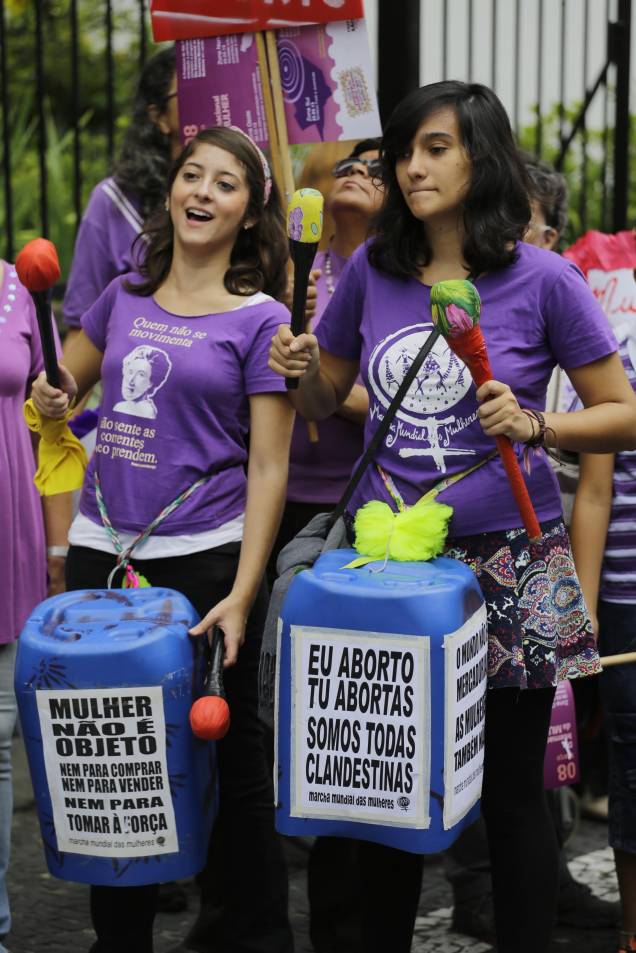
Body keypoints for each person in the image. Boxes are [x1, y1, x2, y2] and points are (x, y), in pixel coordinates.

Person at [268, 80, 636, 953]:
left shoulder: (543, 277)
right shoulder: (373, 269)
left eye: (436, 147)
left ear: (483, 156)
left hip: (512, 561)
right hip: (391, 566)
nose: (412, 165)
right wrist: (298, 370)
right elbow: (325, 394)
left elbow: (621, 410)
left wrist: (538, 423)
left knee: (511, 796)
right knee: (391, 799)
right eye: (405, 150)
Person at [32, 125, 295, 953]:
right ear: (171, 190)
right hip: (105, 552)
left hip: (207, 557)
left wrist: (245, 592)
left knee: (228, 757)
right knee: (115, 764)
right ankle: (122, 940)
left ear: (250, 213)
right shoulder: (122, 295)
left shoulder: (265, 321)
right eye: (192, 175)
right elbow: (63, 392)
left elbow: (268, 469)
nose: (203, 192)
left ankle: (251, 936)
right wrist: (51, 401)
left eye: (225, 183)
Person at [445, 152, 619, 944]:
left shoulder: (555, 290)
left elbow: (598, 465)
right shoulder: (413, 286)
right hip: (428, 559)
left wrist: (535, 425)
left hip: (530, 561)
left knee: (527, 777)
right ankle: (478, 887)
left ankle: (534, 902)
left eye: (533, 224)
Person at [0, 260, 71, 952]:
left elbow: (53, 424)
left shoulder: (23, 288)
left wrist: (58, 552)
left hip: (6, 532)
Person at [569, 245, 636, 953]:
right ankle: (631, 929)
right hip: (627, 591)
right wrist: (581, 616)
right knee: (633, 763)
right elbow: (595, 488)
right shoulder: (615, 335)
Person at [62, 45, 179, 351]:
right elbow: (82, 327)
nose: (208, 103)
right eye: (191, 93)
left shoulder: (250, 202)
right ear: (159, 117)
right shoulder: (114, 202)